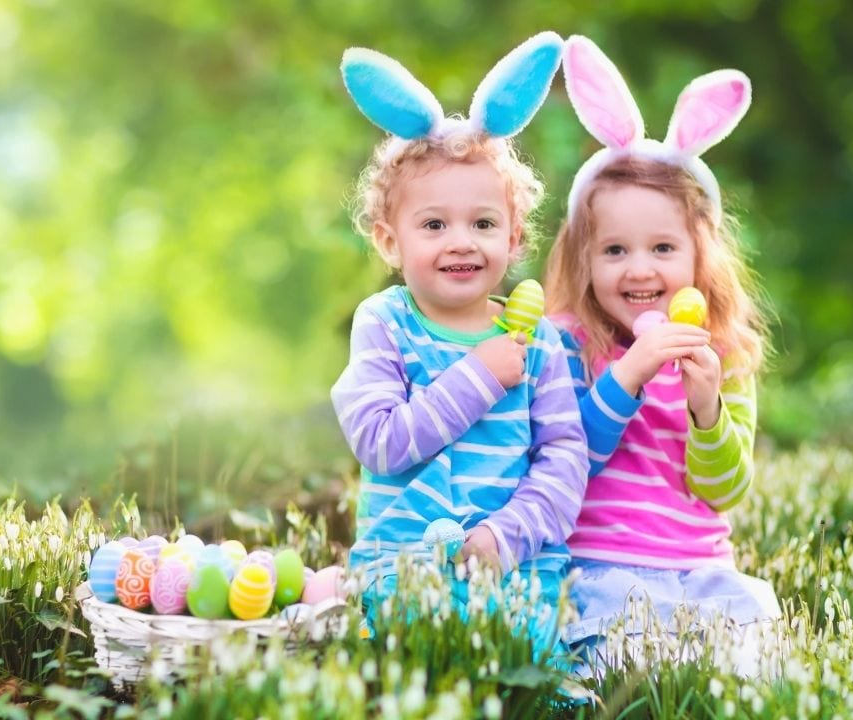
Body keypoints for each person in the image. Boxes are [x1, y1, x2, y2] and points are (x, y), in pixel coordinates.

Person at [330, 32, 588, 657]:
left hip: (515, 569)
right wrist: (477, 375)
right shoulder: (385, 322)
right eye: (434, 224)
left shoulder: (539, 341)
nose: (461, 241)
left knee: (527, 664)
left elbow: (564, 461)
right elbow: (380, 442)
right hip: (402, 565)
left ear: (515, 235)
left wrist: (505, 539)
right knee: (409, 660)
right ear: (391, 242)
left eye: (483, 223)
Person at [543, 35, 781, 676]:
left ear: (700, 256)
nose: (639, 270)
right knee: (625, 668)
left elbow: (723, 490)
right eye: (614, 251)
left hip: (700, 570)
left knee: (745, 668)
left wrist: (706, 410)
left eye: (662, 249)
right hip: (601, 568)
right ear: (583, 261)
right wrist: (627, 374)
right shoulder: (567, 343)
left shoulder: (723, 354)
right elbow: (563, 466)